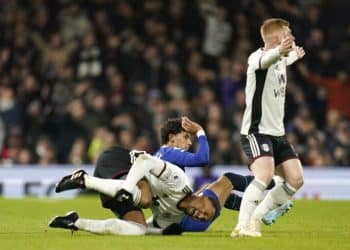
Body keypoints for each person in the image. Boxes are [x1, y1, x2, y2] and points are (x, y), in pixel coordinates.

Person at [49, 152, 249, 235]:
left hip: (122, 182)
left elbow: (151, 227)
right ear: (204, 196)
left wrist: (162, 232)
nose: (201, 216)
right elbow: (144, 160)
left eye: (205, 218)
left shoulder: (174, 216)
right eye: (205, 211)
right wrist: (128, 188)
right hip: (119, 160)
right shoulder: (179, 182)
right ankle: (83, 179)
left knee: (138, 229)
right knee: (144, 197)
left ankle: (74, 222)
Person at [232, 18, 305, 237]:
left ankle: (257, 218)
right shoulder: (256, 58)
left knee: (296, 180)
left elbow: (281, 60)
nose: (292, 37)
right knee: (264, 175)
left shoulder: (281, 59)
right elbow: (266, 61)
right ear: (277, 38)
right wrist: (280, 53)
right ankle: (241, 226)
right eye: (288, 33)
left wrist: (293, 56)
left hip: (277, 133)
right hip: (257, 132)